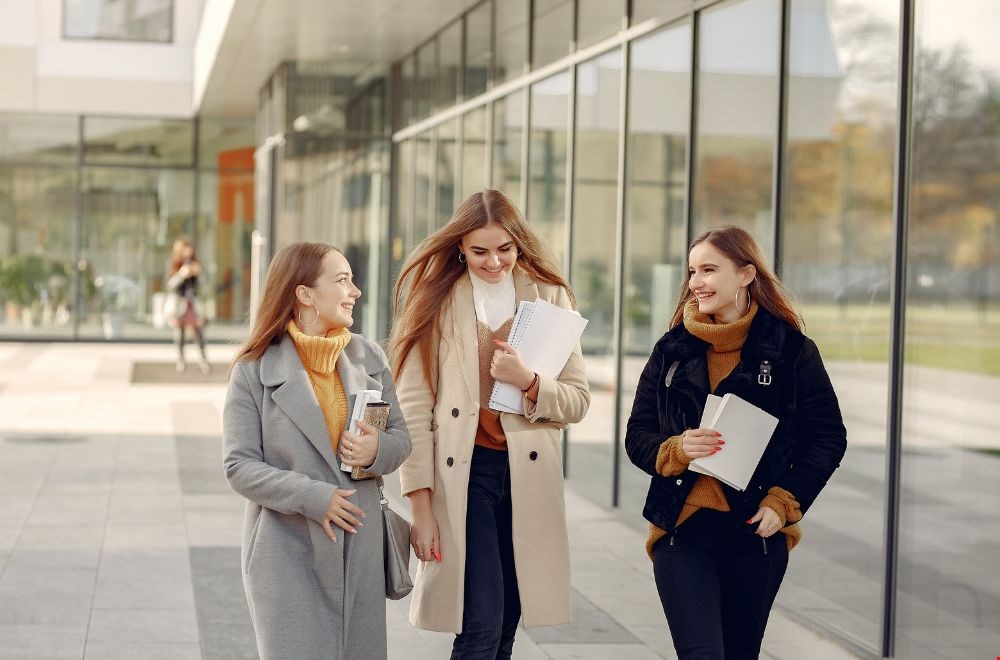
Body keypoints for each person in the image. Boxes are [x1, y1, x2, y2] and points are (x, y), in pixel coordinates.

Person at [625, 226, 847, 660]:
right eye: (692, 271)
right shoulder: (671, 351)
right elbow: (638, 436)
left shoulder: (791, 352)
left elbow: (827, 437)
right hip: (681, 532)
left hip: (756, 534)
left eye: (709, 270)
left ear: (746, 274)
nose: (696, 282)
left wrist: (784, 502)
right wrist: (676, 449)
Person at [390, 189, 590, 659]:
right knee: (480, 623)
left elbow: (577, 402)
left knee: (506, 626)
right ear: (459, 246)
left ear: (519, 243)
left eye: (505, 249)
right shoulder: (435, 300)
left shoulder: (550, 297)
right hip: (464, 476)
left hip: (527, 477)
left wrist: (530, 382)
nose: (494, 262)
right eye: (479, 251)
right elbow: (414, 409)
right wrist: (420, 508)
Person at [223, 241, 412, 660]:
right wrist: (314, 497)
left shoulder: (369, 357)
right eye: (342, 280)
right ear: (305, 294)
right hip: (286, 551)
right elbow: (239, 466)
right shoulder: (253, 369)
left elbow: (401, 438)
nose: (355, 290)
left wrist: (375, 449)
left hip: (358, 548)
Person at [165, 237, 210, 373]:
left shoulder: (196, 264)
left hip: (193, 304)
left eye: (190, 248)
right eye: (185, 248)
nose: (189, 251)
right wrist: (181, 274)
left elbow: (205, 286)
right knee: (179, 333)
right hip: (179, 304)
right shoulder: (173, 264)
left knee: (199, 333)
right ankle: (181, 360)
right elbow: (169, 286)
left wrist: (199, 273)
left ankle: (203, 360)